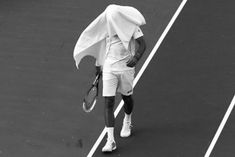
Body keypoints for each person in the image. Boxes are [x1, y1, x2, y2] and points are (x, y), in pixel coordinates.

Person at [73, 4, 146, 153]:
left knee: (127, 98)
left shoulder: (131, 26)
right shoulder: (106, 26)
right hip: (109, 68)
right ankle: (110, 140)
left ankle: (127, 119)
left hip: (126, 68)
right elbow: (102, 46)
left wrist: (136, 58)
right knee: (109, 102)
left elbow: (143, 44)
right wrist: (98, 65)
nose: (110, 20)